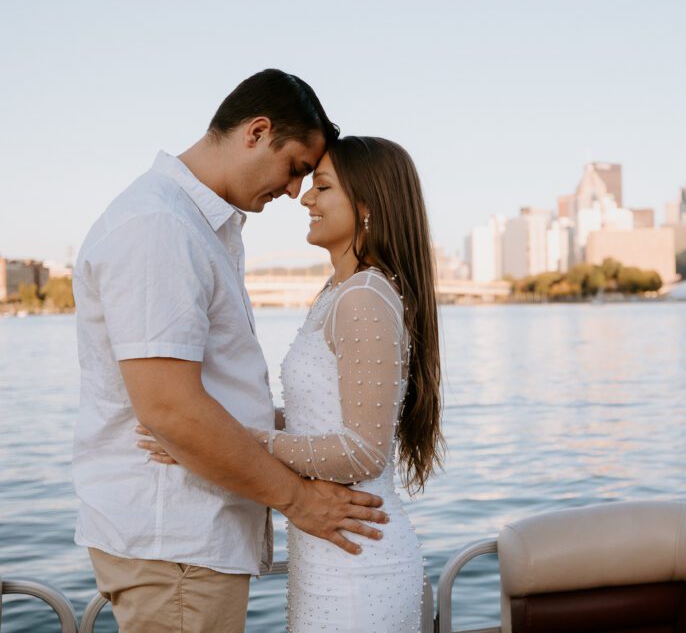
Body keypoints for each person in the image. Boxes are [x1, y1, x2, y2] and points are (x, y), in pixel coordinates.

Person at [72, 70, 388, 633]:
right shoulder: (160, 227)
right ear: (256, 131)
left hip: (190, 546)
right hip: (177, 546)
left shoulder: (199, 227)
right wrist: (298, 501)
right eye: (294, 168)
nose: (295, 191)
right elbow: (169, 409)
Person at [141, 135, 445, 632]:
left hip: (358, 563)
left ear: (366, 205)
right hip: (331, 554)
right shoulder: (339, 291)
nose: (305, 197)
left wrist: (230, 442)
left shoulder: (365, 296)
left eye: (322, 187)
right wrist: (202, 426)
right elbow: (316, 420)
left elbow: (363, 451)